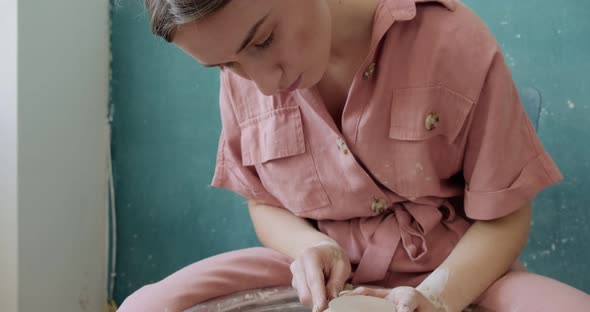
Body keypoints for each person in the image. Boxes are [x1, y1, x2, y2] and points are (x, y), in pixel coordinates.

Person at [118, 0, 590, 311]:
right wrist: (309, 248)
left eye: (262, 41)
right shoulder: (244, 77)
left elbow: (506, 218)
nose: (263, 83)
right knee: (145, 307)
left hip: (457, 271)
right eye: (225, 65)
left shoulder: (451, 39)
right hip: (317, 271)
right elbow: (263, 203)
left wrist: (438, 297)